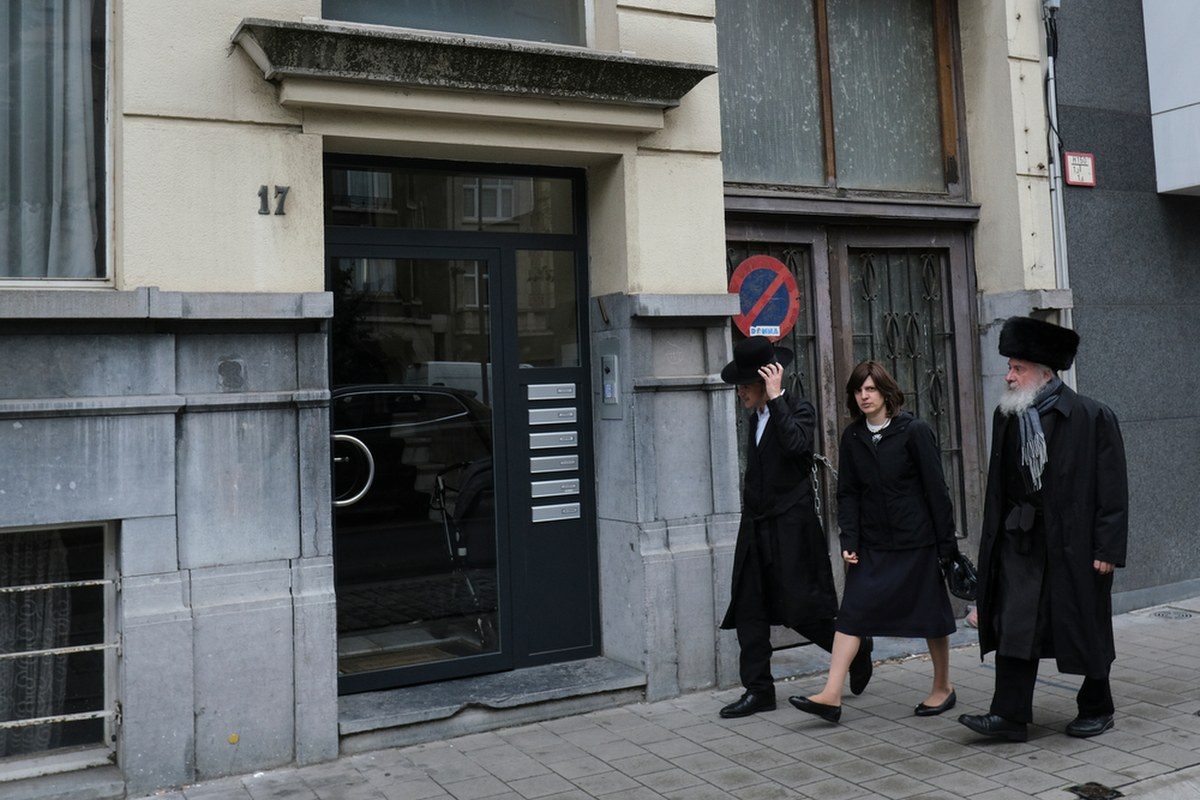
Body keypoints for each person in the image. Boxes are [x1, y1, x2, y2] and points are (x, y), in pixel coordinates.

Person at [958, 316, 1128, 742]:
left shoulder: (1091, 416)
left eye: (1018, 368)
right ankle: (1010, 716)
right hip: (1022, 540)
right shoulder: (1008, 415)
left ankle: (1097, 706)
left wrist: (1107, 547)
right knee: (1015, 622)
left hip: (1076, 544)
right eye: (1010, 367)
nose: (1009, 375)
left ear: (1045, 373)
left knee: (1083, 623)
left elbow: (1112, 490)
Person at [789, 361, 959, 724]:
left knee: (931, 616)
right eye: (857, 390)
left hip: (917, 542)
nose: (864, 396)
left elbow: (937, 491)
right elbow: (847, 493)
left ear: (886, 392)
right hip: (873, 546)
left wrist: (946, 546)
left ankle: (943, 686)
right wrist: (849, 538)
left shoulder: (914, 431)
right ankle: (831, 695)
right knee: (851, 615)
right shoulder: (853, 438)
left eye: (870, 389)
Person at [718, 336, 874, 718]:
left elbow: (796, 447)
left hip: (791, 528)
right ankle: (758, 690)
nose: (740, 393)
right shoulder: (754, 418)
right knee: (749, 609)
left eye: (745, 385)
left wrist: (775, 400)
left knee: (804, 612)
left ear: (766, 381)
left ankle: (857, 650)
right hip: (756, 527)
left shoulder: (799, 410)